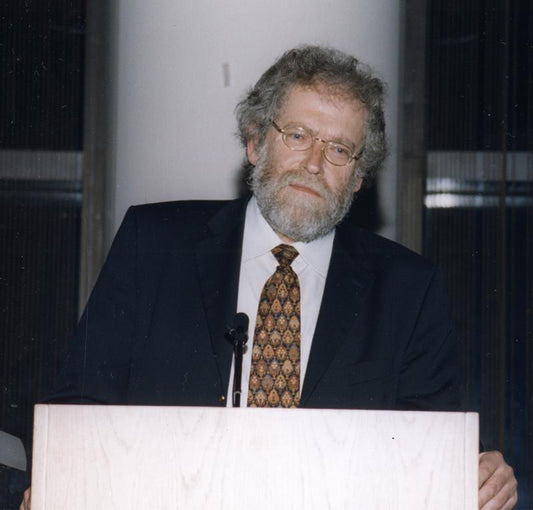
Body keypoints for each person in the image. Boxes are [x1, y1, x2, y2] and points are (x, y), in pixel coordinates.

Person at [20, 45, 517, 509]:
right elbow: (79, 407)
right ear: (256, 142)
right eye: (297, 136)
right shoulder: (152, 244)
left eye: (340, 150)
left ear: (360, 178)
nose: (315, 164)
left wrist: (477, 477)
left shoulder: (409, 288)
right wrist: (57, 479)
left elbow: (428, 451)